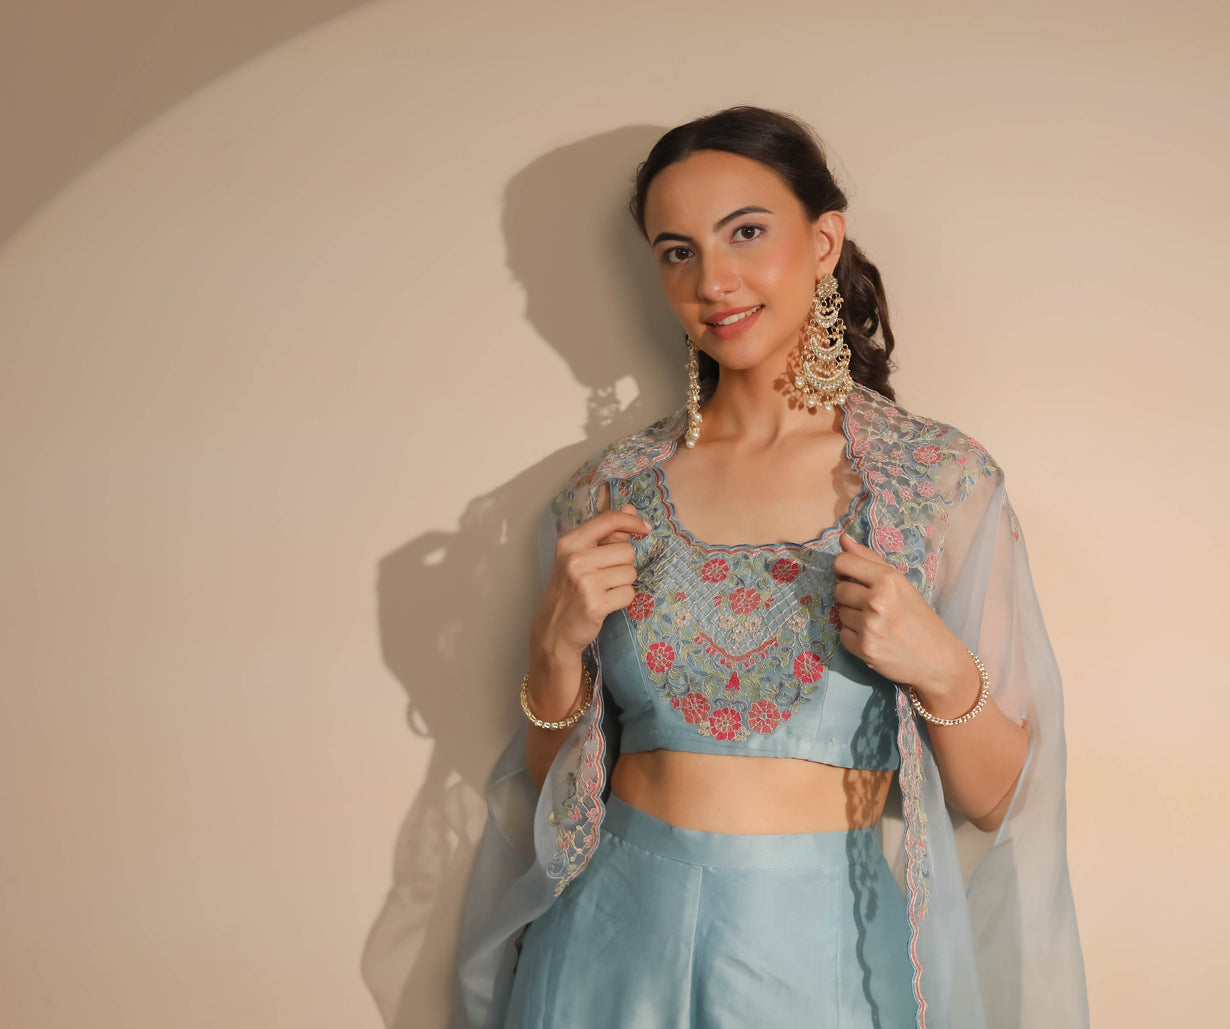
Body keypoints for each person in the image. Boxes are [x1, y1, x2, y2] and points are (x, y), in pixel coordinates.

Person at [452, 106, 1088, 1028]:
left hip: (823, 963)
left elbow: (999, 803)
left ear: (823, 241)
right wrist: (552, 651)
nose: (712, 281)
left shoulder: (933, 481)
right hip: (604, 947)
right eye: (677, 252)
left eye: (745, 232)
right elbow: (559, 794)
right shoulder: (612, 488)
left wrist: (940, 666)